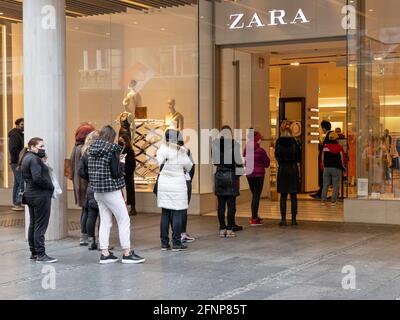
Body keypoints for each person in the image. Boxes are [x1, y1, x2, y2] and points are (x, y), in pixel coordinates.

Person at [88, 125, 145, 264]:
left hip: (98, 191)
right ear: (111, 137)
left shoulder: (92, 149)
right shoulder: (113, 149)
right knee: (124, 220)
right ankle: (127, 252)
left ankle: (105, 253)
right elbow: (116, 173)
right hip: (111, 190)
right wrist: (121, 161)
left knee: (105, 222)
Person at [19, 137, 57, 263]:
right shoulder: (34, 159)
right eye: (40, 146)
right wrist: (50, 186)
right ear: (32, 147)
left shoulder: (27, 158)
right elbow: (37, 178)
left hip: (30, 194)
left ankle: (34, 253)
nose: (43, 148)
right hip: (40, 195)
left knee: (34, 224)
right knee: (40, 225)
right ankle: (41, 254)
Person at [156, 129, 193, 251]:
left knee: (165, 213)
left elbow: (159, 164)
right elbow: (188, 166)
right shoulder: (181, 151)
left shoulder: (161, 149)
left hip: (164, 185)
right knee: (177, 213)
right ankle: (176, 243)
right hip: (177, 185)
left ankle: (164, 243)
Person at [212, 125, 244, 238]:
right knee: (231, 205)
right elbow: (238, 162)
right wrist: (239, 174)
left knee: (221, 205)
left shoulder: (215, 144)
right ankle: (230, 229)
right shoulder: (234, 144)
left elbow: (215, 162)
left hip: (220, 175)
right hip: (231, 175)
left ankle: (222, 228)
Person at [70, 124, 95, 246]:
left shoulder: (75, 147)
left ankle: (83, 235)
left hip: (77, 182)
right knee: (88, 211)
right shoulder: (84, 149)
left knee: (84, 210)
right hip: (85, 183)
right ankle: (87, 237)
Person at [275, 125, 301, 226]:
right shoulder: (295, 142)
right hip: (293, 169)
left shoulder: (278, 142)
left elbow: (276, 155)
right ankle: (294, 220)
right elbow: (299, 157)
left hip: (282, 169)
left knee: (283, 195)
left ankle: (283, 219)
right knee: (293, 195)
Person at [243, 129, 270, 226]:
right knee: (256, 196)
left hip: (249, 175)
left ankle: (254, 216)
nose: (260, 141)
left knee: (254, 195)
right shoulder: (260, 150)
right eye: (260, 139)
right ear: (257, 139)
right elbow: (267, 163)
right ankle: (254, 219)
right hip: (258, 175)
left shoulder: (246, 148)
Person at [79, 130, 100, 250]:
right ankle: (102, 241)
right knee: (103, 215)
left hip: (90, 186)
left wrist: (89, 177)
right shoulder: (100, 152)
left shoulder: (85, 153)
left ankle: (91, 240)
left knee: (91, 214)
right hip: (101, 186)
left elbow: (81, 171)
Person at [321, 131, 346, 206]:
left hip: (326, 168)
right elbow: (343, 159)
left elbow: (322, 158)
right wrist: (344, 168)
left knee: (325, 185)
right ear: (336, 139)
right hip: (336, 169)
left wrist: (323, 167)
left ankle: (323, 201)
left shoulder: (325, 147)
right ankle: (333, 201)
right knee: (335, 185)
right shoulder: (339, 147)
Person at [178, 137, 195, 244]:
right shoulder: (186, 150)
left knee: (172, 210)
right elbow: (192, 166)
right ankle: (182, 233)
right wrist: (189, 178)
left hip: (173, 182)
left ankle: (176, 233)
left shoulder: (166, 151)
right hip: (185, 180)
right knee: (183, 208)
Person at [311, 120, 333, 199]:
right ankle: (320, 193)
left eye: (321, 127)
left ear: (323, 128)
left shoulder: (329, 136)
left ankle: (321, 194)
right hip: (327, 161)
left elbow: (326, 149)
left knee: (325, 177)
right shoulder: (330, 135)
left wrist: (320, 146)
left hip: (327, 161)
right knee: (325, 178)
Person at [118, 134, 137, 216]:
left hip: (127, 174)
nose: (121, 142)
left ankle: (132, 208)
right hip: (121, 174)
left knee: (130, 191)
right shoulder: (119, 150)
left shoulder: (130, 151)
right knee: (121, 192)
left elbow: (132, 164)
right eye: (120, 140)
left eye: (122, 140)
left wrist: (125, 170)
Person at [8, 118, 25, 211]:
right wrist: (20, 160)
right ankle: (17, 202)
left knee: (17, 182)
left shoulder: (20, 135)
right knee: (22, 181)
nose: (23, 126)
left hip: (17, 162)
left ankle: (16, 203)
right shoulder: (15, 135)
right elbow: (13, 149)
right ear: (17, 125)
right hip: (17, 163)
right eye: (22, 124)